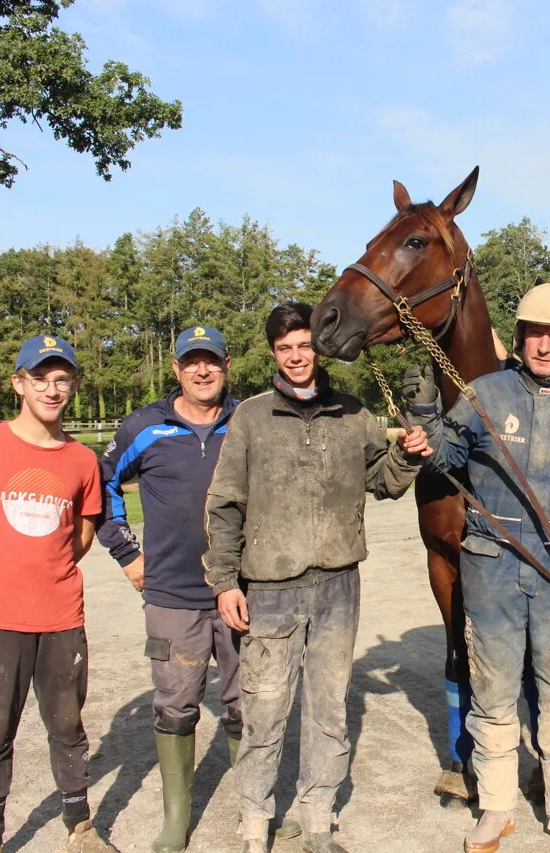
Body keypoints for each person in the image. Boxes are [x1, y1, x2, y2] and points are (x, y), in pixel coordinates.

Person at [405, 282, 550, 853]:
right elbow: (448, 454)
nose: (543, 344)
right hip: (492, 570)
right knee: (494, 694)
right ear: (521, 336)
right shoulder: (483, 392)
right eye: (534, 332)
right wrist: (423, 432)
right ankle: (496, 808)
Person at [203, 301, 431, 853]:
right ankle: (255, 822)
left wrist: (410, 454)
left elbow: (383, 480)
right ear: (273, 354)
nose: (297, 356)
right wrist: (225, 582)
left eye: (304, 345)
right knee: (264, 708)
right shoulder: (252, 418)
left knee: (329, 706)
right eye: (285, 348)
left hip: (337, 585)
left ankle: (318, 819)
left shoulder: (352, 412)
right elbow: (225, 503)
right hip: (271, 586)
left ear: (316, 347)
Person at [99, 326, 299, 852]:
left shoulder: (251, 419)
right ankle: (175, 819)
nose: (202, 371)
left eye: (211, 361)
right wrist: (127, 553)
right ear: (176, 369)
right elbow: (102, 484)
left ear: (227, 365)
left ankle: (253, 813)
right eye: (192, 362)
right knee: (175, 703)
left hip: (244, 590)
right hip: (171, 595)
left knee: (248, 702)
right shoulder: (145, 425)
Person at [0, 335, 116, 853]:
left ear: (74, 387)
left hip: (60, 616)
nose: (52, 388)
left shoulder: (82, 460)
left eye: (62, 378)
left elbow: (81, 535)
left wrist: (47, 575)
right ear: (18, 382)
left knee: (68, 725)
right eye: (40, 377)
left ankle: (79, 827)